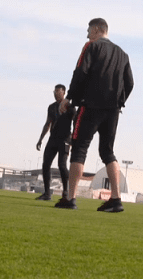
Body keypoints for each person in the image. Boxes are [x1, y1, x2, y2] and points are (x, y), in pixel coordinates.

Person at [55, 18, 133, 212]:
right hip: (113, 110)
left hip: (90, 106)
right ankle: (116, 199)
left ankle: (70, 197)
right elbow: (130, 83)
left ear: (98, 29)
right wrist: (119, 101)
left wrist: (70, 98)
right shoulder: (123, 54)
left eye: (89, 30)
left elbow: (80, 72)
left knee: (79, 148)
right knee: (107, 151)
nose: (87, 34)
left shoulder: (91, 46)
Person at [35, 84, 75, 201]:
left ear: (64, 92)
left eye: (58, 92)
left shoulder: (70, 107)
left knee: (62, 165)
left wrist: (73, 141)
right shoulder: (51, 107)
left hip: (65, 139)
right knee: (45, 164)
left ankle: (66, 193)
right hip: (53, 139)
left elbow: (76, 123)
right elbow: (48, 123)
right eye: (54, 92)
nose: (55, 94)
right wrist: (40, 139)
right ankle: (47, 193)